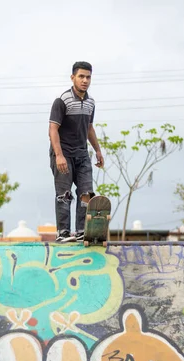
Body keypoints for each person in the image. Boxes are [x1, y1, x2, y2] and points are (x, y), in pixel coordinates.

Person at [48, 61, 104, 243]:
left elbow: (89, 128)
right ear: (73, 77)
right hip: (63, 153)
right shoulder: (62, 100)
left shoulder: (91, 102)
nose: (85, 80)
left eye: (88, 77)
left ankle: (81, 230)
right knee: (64, 194)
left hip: (82, 154)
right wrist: (59, 155)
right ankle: (63, 232)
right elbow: (52, 130)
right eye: (81, 76)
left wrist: (98, 151)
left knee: (86, 193)